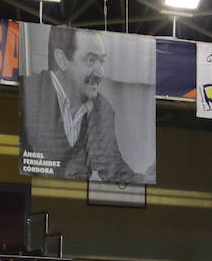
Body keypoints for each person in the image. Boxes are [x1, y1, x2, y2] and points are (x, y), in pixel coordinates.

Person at [21, 26, 139, 184]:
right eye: (91, 60)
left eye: (101, 61)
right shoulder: (28, 93)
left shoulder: (103, 109)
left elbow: (113, 167)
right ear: (62, 60)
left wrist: (146, 179)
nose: (100, 73)